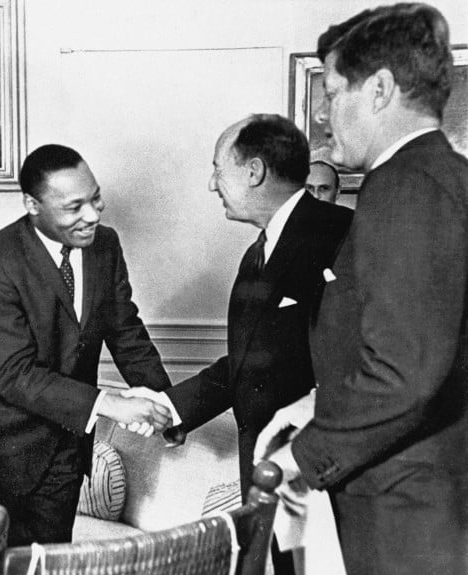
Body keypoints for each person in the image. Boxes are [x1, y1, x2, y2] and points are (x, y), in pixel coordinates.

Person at [254, 4, 468, 575]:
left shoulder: (406, 188)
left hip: (409, 517)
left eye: (332, 92)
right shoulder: (442, 176)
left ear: (379, 90)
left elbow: (405, 373)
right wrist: (314, 404)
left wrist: (305, 455)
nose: (323, 117)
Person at [125, 113, 353, 573]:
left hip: (326, 478)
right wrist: (172, 407)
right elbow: (250, 363)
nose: (212, 185)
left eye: (217, 168)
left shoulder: (344, 235)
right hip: (268, 477)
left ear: (253, 172)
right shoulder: (258, 251)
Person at [0, 144, 173, 546]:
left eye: (96, 198)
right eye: (74, 207)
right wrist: (108, 403)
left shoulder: (105, 245)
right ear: (32, 204)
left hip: (69, 450)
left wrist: (169, 405)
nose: (93, 214)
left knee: (53, 564)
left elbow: (125, 331)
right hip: (4, 458)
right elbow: (14, 375)